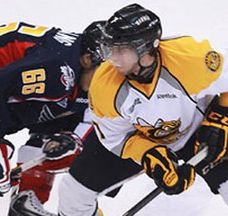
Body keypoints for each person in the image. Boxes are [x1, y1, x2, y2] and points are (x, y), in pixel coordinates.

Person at [56, 3, 228, 216]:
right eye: (109, 48)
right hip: (139, 137)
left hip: (198, 132)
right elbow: (115, 138)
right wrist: (147, 153)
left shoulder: (189, 58)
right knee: (73, 194)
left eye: (120, 50)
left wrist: (222, 119)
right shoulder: (104, 85)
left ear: (146, 49)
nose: (111, 59)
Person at [0, 16, 105, 215]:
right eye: (106, 72)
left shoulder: (81, 86)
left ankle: (26, 199)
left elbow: (44, 139)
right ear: (88, 59)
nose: (109, 82)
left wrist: (28, 187)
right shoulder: (59, 69)